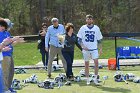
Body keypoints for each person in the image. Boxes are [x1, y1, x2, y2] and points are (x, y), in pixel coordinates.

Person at [77, 14, 103, 85]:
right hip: (86, 49)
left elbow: (99, 40)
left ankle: (95, 79)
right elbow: (79, 39)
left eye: (90, 19)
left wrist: (100, 49)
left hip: (94, 49)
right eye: (88, 19)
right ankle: (87, 79)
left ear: (92, 20)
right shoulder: (83, 28)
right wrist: (83, 46)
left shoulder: (96, 28)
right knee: (86, 64)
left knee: (96, 63)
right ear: (86, 20)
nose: (89, 20)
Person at [0, 19, 24, 93]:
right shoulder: (1, 33)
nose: (10, 26)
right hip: (4, 55)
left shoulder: (7, 33)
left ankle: (8, 87)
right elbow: (3, 44)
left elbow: (10, 44)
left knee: (11, 72)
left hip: (9, 54)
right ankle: (4, 89)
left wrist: (16, 41)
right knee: (4, 73)